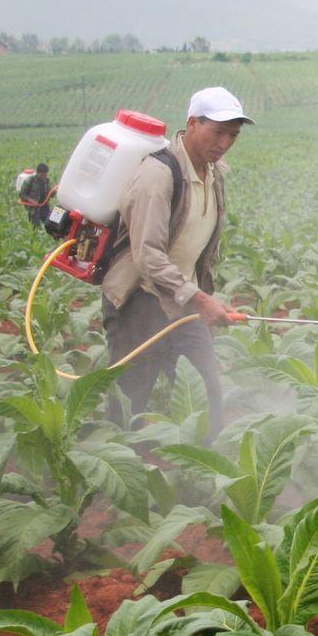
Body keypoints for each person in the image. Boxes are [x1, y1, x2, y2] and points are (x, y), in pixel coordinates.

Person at [100, 86, 249, 435]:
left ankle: (202, 481)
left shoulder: (215, 174)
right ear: (192, 124)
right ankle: (108, 477)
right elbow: (148, 256)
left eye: (233, 135)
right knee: (129, 400)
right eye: (218, 131)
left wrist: (201, 297)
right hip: (138, 303)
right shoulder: (158, 175)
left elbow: (200, 249)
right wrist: (200, 299)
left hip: (181, 303)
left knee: (207, 394)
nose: (225, 142)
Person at [19, 163, 54, 228]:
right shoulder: (30, 180)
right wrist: (32, 201)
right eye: (43, 175)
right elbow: (22, 194)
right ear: (38, 173)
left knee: (50, 224)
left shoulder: (46, 181)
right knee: (35, 227)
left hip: (44, 205)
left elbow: (50, 194)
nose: (44, 176)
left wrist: (54, 192)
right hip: (33, 208)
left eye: (46, 174)